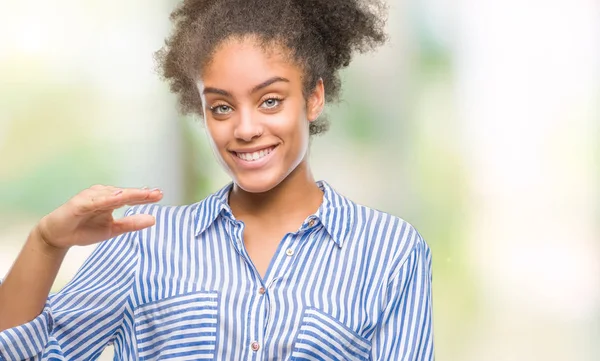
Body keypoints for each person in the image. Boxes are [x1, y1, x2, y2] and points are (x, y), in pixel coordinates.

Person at [0, 0, 434, 359]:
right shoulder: (145, 242)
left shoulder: (392, 252)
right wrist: (45, 243)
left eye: (270, 100)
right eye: (222, 107)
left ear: (313, 97)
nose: (244, 128)